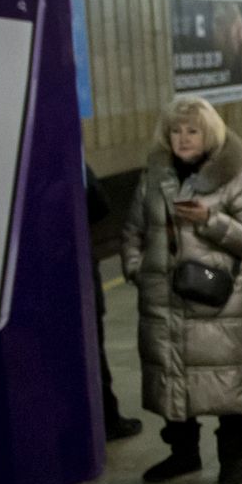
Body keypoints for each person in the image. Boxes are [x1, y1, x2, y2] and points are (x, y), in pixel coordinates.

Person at [121, 94, 242, 484]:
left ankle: (232, 458)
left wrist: (210, 220)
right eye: (175, 131)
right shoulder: (153, 180)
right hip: (164, 302)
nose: (183, 138)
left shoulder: (234, 180)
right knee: (173, 381)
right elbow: (134, 230)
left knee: (228, 385)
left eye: (192, 131)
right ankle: (182, 454)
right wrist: (138, 271)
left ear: (209, 134)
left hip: (219, 304)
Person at [85, 164, 142, 442]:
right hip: (78, 264)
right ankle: (108, 418)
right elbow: (99, 204)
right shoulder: (72, 159)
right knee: (92, 346)